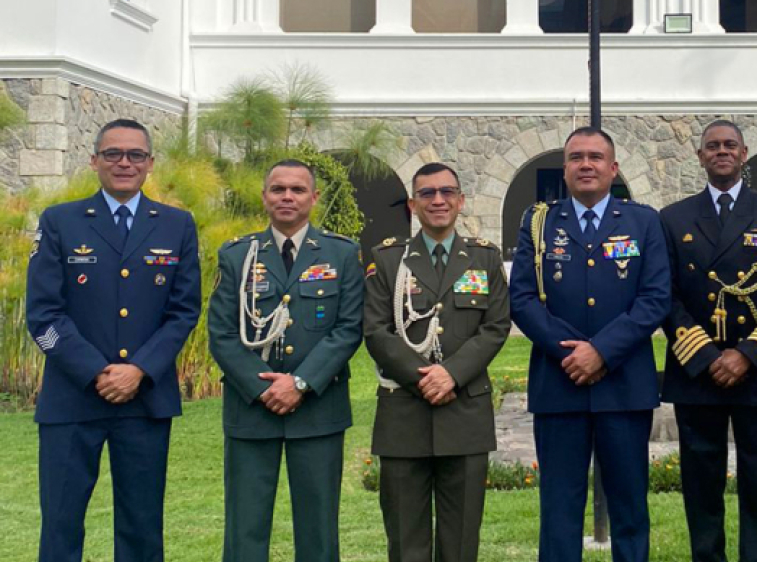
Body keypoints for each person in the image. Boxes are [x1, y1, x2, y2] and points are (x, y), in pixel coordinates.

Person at [26, 118, 202, 562]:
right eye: (113, 154)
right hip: (72, 398)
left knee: (142, 527)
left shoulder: (176, 225)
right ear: (94, 161)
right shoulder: (60, 221)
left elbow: (184, 312)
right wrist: (96, 371)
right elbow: (43, 314)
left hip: (144, 400)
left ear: (150, 164)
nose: (124, 162)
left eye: (135, 155)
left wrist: (139, 370)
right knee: (61, 525)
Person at [508, 126, 671, 562]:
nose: (586, 164)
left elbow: (655, 298)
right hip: (560, 386)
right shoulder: (539, 223)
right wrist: (570, 354)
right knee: (559, 508)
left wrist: (601, 352)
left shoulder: (643, 221)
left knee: (630, 508)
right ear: (564, 170)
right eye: (576, 157)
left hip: (624, 387)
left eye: (595, 157)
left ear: (613, 168)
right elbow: (521, 299)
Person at [657, 119, 757, 562]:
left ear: (744, 154)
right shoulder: (674, 217)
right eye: (712, 146)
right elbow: (665, 295)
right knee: (701, 486)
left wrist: (747, 354)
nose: (721, 152)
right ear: (700, 157)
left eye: (730, 145)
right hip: (698, 373)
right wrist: (705, 355)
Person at [207, 159, 364, 562]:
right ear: (265, 198)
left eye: (297, 189)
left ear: (314, 197)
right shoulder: (237, 254)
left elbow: (348, 328)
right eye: (278, 189)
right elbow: (222, 333)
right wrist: (263, 389)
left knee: (318, 530)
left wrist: (299, 384)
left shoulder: (342, 253)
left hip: (317, 407)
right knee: (245, 528)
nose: (287, 197)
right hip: (251, 408)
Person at [365, 162, 511, 562]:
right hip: (404, 414)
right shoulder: (388, 258)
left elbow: (496, 327)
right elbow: (376, 331)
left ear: (461, 201)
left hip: (464, 410)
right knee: (405, 538)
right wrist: (424, 378)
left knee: (461, 541)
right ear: (413, 204)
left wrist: (451, 374)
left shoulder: (484, 258)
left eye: (447, 192)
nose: (438, 200)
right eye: (427, 193)